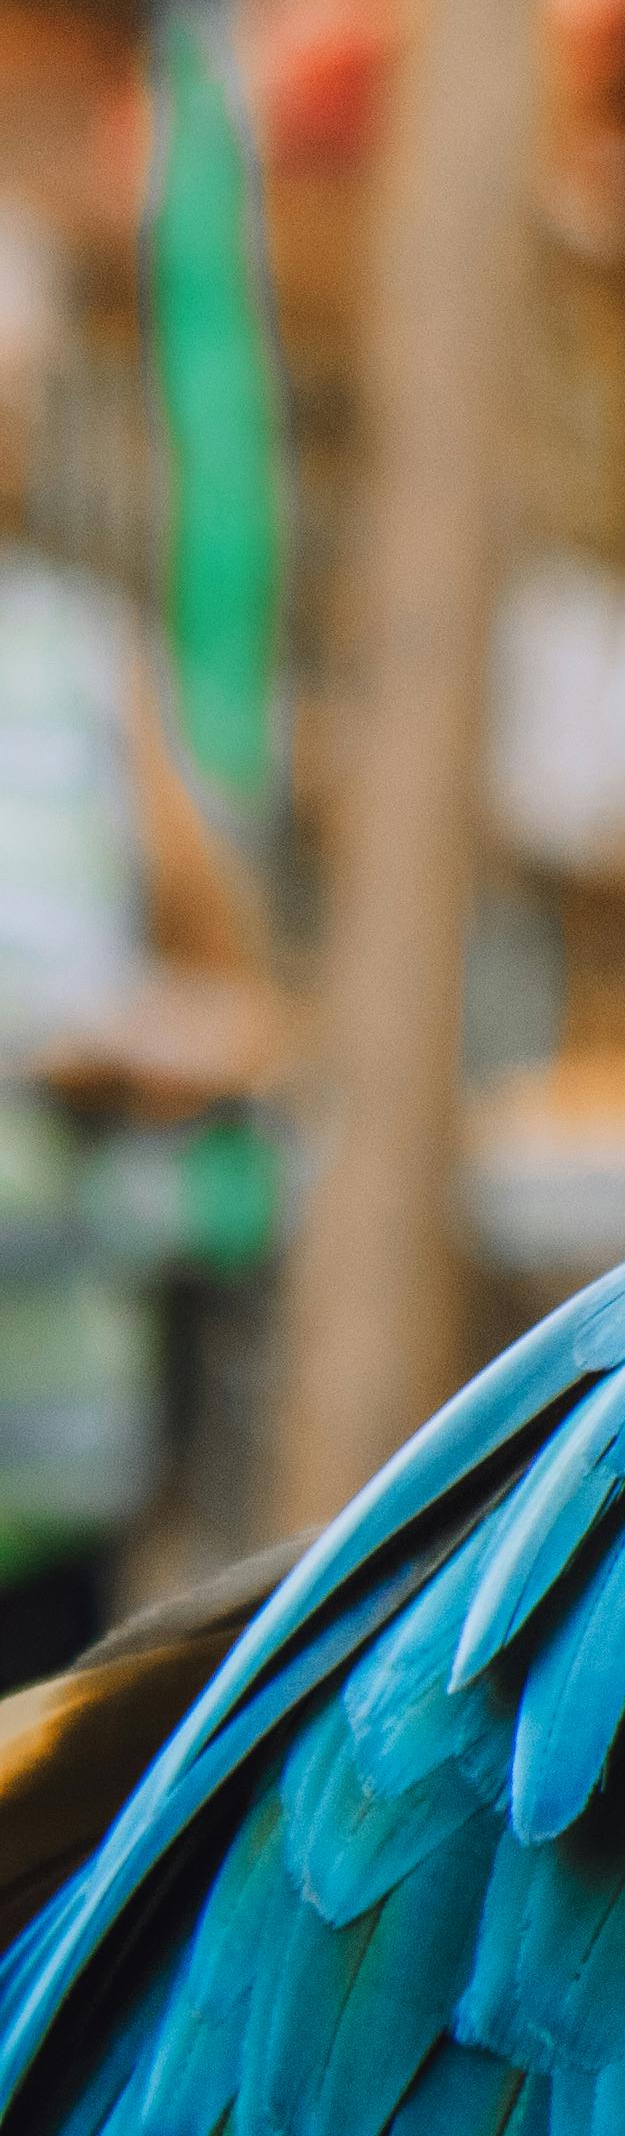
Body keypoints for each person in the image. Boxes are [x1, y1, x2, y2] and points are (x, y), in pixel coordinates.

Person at [0, 213, 280, 1682]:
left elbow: (244, 1010)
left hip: (47, 1486)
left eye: (18, 401)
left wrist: (142, 1046)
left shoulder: (81, 667)